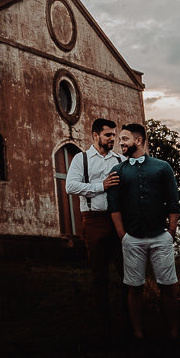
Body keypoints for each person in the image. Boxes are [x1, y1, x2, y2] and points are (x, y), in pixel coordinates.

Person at [107, 122, 180, 342]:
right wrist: (123, 236)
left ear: (138, 140)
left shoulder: (162, 167)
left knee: (167, 286)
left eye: (125, 139)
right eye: (120, 140)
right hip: (132, 239)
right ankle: (138, 334)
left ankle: (174, 332)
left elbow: (173, 201)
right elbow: (114, 206)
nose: (120, 143)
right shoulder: (118, 170)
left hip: (161, 237)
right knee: (134, 287)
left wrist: (171, 231)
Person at [63, 119, 125, 339]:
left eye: (114, 135)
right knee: (99, 275)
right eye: (108, 135)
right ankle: (103, 326)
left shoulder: (120, 159)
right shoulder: (82, 159)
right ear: (95, 135)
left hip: (119, 220)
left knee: (126, 272)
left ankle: (127, 322)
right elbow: (70, 186)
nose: (112, 139)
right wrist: (101, 186)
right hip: (94, 219)